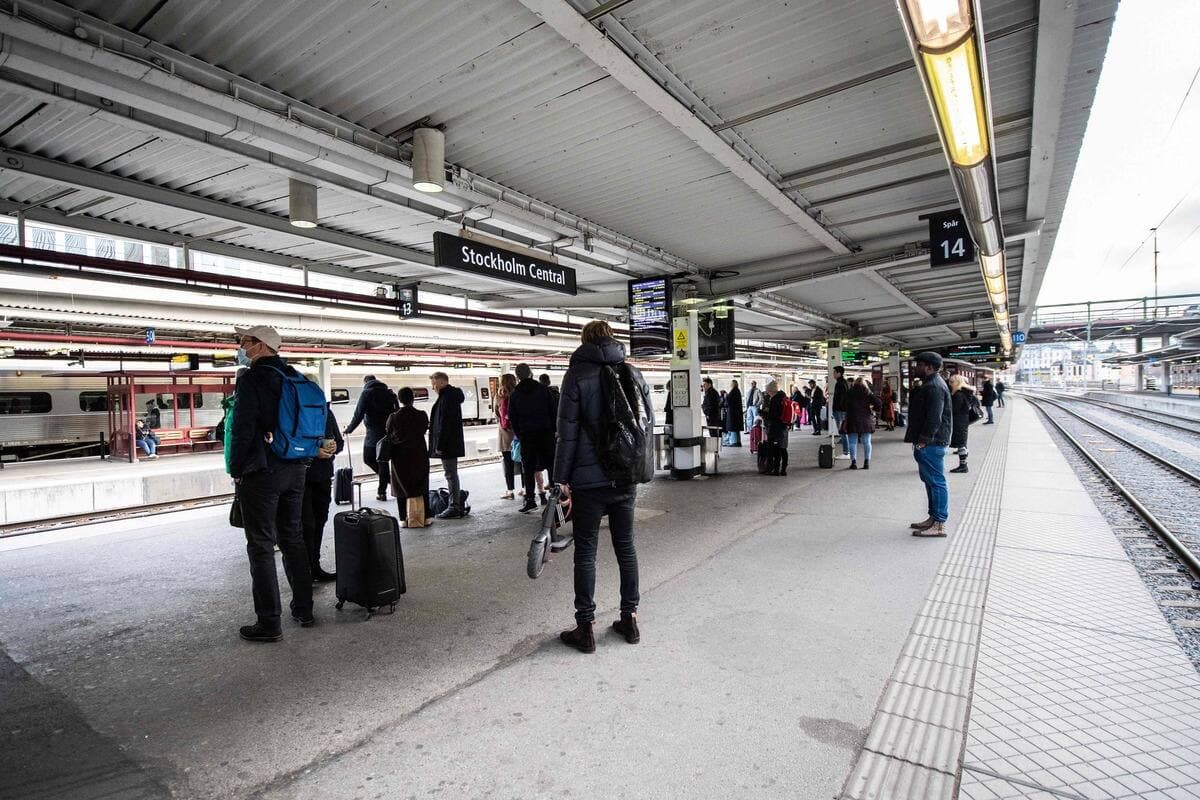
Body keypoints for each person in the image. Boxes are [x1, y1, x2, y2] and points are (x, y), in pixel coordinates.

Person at [554, 320, 654, 654]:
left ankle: (586, 628)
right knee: (626, 548)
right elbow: (645, 425)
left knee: (586, 552)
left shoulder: (577, 375)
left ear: (585, 341)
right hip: (625, 477)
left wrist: (561, 480)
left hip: (588, 482)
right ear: (612, 339)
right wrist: (642, 469)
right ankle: (630, 618)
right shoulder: (633, 372)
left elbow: (566, 433)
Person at [228, 324, 314, 642]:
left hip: (263, 469)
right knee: (292, 538)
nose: (241, 347)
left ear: (263, 346)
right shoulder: (296, 377)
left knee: (261, 546)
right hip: (297, 467)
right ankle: (304, 608)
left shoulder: (252, 378)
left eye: (246, 342)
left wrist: (236, 467)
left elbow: (243, 426)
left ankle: (269, 623)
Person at [905, 352, 953, 538]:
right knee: (930, 481)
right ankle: (933, 518)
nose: (915, 368)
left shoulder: (934, 386)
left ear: (929, 367)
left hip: (931, 443)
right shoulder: (932, 384)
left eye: (919, 364)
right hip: (929, 442)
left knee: (936, 481)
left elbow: (934, 418)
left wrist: (923, 441)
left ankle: (939, 523)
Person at [300, 377, 342, 582]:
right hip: (302, 477)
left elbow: (339, 442)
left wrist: (334, 447)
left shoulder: (326, 412)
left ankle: (314, 566)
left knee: (318, 521)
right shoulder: (295, 412)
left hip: (322, 476)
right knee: (307, 524)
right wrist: (313, 451)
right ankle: (305, 569)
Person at [508, 363, 558, 513]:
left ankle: (530, 499)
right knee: (551, 465)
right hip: (546, 433)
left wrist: (520, 434)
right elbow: (553, 411)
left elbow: (513, 417)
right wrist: (553, 430)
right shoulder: (543, 390)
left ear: (517, 376)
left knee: (528, 468)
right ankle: (555, 497)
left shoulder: (515, 394)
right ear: (530, 373)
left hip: (527, 436)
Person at [344, 374, 399, 502]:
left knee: (368, 458)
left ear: (366, 382)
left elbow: (358, 414)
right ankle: (385, 489)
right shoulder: (389, 393)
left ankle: (385, 488)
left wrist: (349, 429)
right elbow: (397, 412)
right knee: (383, 461)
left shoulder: (366, 393)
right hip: (388, 433)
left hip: (373, 434)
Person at [387, 387, 432, 528]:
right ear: (413, 398)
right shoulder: (422, 415)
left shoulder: (393, 417)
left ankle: (403, 518)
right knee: (422, 484)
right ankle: (426, 517)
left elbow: (388, 433)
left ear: (399, 400)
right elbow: (425, 428)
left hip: (399, 456)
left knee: (401, 485)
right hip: (419, 454)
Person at [429, 371, 468, 519]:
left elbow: (444, 424)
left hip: (448, 444)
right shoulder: (450, 396)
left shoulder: (447, 398)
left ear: (441, 382)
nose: (433, 387)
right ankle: (455, 502)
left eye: (433, 383)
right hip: (450, 442)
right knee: (451, 474)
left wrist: (439, 445)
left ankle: (454, 507)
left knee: (450, 474)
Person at [844, 376, 882, 470]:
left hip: (852, 419)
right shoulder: (868, 393)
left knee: (852, 442)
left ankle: (853, 463)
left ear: (854, 383)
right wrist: (873, 409)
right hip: (865, 419)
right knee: (867, 442)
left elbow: (842, 404)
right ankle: (866, 462)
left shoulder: (849, 392)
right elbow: (879, 403)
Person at [948, 374, 978, 474]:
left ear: (956, 383)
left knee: (961, 444)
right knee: (962, 443)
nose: (950, 384)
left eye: (952, 382)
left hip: (959, 421)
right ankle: (963, 464)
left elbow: (954, 409)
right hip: (963, 420)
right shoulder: (966, 392)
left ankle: (963, 466)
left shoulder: (958, 395)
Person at [497, 373, 518, 500]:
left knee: (508, 462)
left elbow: (496, 413)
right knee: (522, 462)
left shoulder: (499, 396)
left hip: (505, 434)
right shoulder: (518, 393)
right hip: (518, 433)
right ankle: (525, 489)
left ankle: (510, 491)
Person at [764, 380, 789, 476]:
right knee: (783, 448)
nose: (768, 394)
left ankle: (776, 470)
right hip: (784, 426)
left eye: (768, 392)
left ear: (771, 391)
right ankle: (783, 469)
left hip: (776, 427)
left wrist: (765, 413)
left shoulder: (775, 399)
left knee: (776, 449)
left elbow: (773, 415)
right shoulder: (784, 396)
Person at [831, 365, 850, 455]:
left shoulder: (840, 383)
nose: (833, 374)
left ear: (839, 373)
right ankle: (846, 451)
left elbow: (840, 398)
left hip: (840, 410)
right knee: (843, 431)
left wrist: (836, 409)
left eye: (834, 372)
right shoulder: (843, 382)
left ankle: (846, 452)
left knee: (842, 431)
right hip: (842, 410)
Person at [724, 380, 744, 447]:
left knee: (733, 428)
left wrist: (726, 396)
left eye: (731, 383)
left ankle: (734, 442)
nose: (730, 385)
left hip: (733, 414)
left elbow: (729, 401)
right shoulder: (737, 391)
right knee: (736, 429)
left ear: (733, 384)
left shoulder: (734, 391)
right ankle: (738, 441)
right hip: (736, 413)